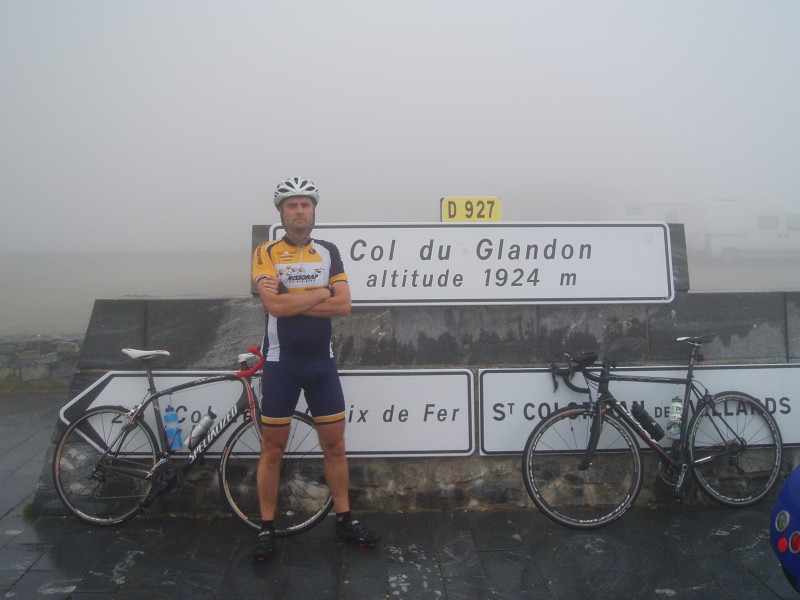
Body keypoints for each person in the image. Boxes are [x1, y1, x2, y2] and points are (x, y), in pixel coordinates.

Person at [250, 176, 381, 561]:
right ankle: (267, 526)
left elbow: (343, 306)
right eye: (292, 205)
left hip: (321, 363)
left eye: (305, 204)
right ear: (281, 212)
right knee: (273, 450)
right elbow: (274, 308)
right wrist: (321, 292)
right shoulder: (266, 252)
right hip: (280, 363)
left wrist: (302, 296)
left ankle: (344, 519)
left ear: (314, 210)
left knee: (335, 446)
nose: (299, 211)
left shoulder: (328, 251)